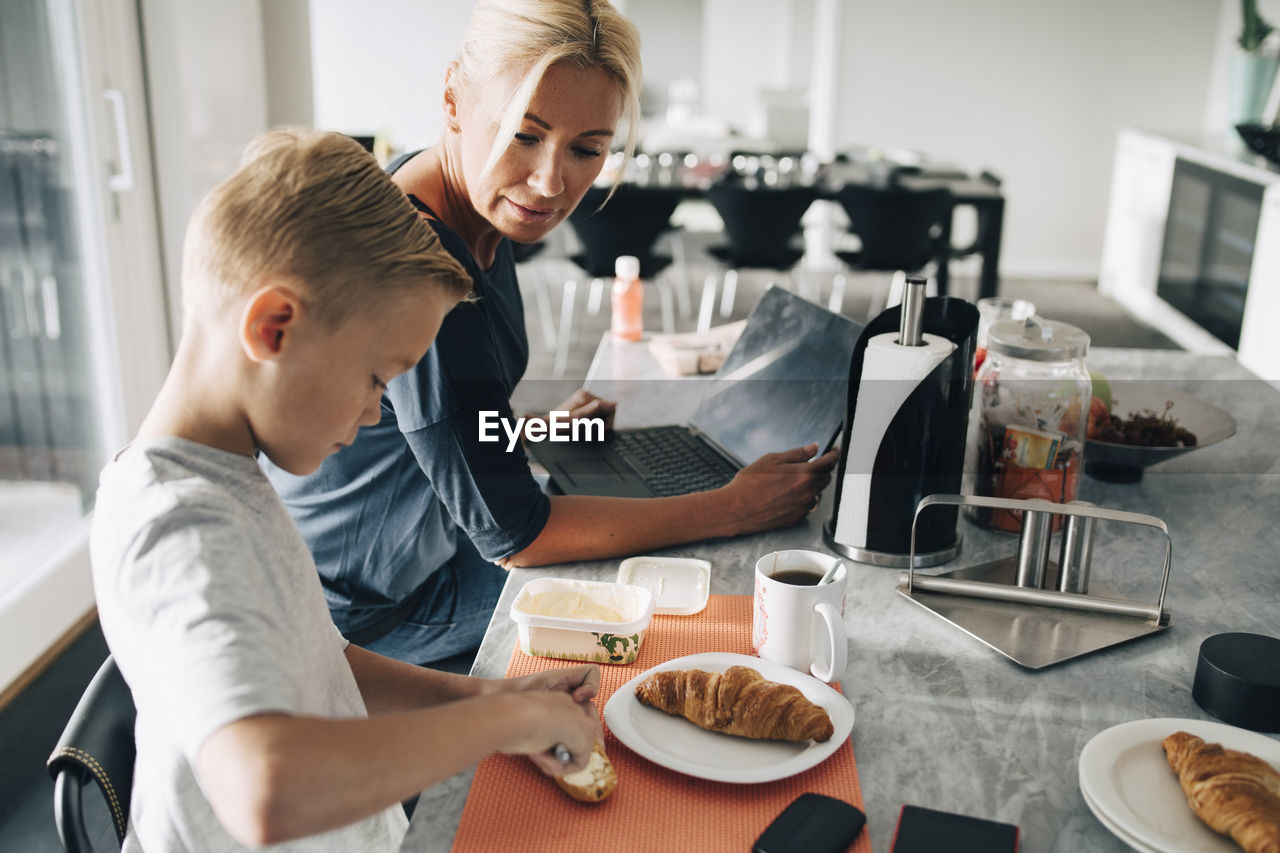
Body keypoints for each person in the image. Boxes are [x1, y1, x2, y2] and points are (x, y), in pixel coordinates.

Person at [264, 0, 839, 666]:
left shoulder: (474, 204)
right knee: (674, 611)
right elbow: (518, 537)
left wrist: (534, 427)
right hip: (379, 613)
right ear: (453, 99)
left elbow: (425, 428)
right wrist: (732, 507)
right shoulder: (423, 263)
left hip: (427, 547)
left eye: (587, 149)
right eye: (522, 134)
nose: (548, 183)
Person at [91, 128, 603, 852]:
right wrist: (506, 724)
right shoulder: (179, 530)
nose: (373, 414)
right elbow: (265, 791)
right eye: (375, 379)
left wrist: (483, 695)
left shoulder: (230, 472)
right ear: (275, 327)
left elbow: (321, 664)